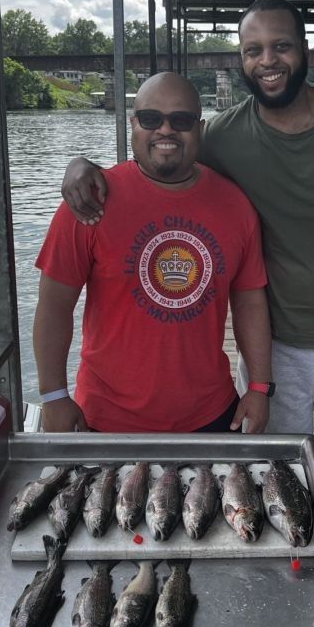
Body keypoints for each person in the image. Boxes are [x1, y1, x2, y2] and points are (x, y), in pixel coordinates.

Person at [61, 0, 314, 627]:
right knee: (272, 473)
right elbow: (158, 155)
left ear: (304, 49)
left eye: (280, 46)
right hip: (278, 341)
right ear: (240, 59)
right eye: (254, 50)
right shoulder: (225, 133)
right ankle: (294, 577)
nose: (268, 61)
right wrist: (80, 168)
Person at [34, 71, 272, 436]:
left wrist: (258, 387)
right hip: (106, 418)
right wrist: (53, 397)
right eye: (150, 119)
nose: (165, 130)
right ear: (133, 124)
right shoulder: (88, 202)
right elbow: (54, 305)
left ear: (200, 128)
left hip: (210, 415)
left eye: (181, 120)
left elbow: (250, 302)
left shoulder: (236, 205)